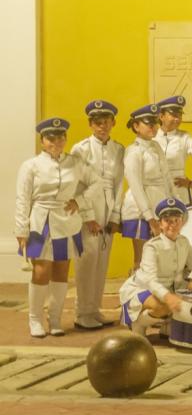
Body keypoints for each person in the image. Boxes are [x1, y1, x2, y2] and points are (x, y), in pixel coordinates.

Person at [15, 117, 102, 337]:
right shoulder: (31, 165)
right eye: (50, 138)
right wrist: (21, 229)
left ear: (65, 138)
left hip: (67, 222)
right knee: (41, 270)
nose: (56, 142)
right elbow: (22, 199)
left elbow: (97, 182)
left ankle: (54, 319)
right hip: (40, 221)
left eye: (60, 137)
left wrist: (80, 202)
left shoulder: (75, 162)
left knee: (62, 272)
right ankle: (35, 319)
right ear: (42, 140)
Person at [118, 198, 192, 337]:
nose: (172, 225)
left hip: (171, 287)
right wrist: (169, 297)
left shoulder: (183, 242)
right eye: (167, 221)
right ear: (160, 224)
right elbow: (151, 281)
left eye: (176, 220)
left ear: (182, 222)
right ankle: (138, 323)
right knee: (163, 306)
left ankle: (168, 325)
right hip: (142, 288)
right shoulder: (151, 247)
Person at [70, 100, 124, 329]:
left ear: (113, 122)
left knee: (101, 261)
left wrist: (115, 216)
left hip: (108, 204)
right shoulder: (80, 149)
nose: (102, 126)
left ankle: (94, 308)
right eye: (97, 123)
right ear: (90, 125)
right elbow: (76, 186)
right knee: (86, 261)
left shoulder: (118, 149)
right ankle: (82, 312)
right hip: (87, 205)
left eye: (106, 122)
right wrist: (87, 216)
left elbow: (119, 183)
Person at [120, 104, 171, 267]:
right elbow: (136, 186)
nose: (154, 127)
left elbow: (166, 179)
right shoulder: (133, 151)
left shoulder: (156, 147)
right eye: (148, 123)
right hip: (140, 212)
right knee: (142, 261)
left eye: (156, 123)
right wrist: (150, 219)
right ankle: (135, 291)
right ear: (136, 126)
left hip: (158, 206)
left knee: (157, 260)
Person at [155, 95, 192, 206]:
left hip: (180, 193)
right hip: (155, 192)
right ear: (161, 116)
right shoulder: (151, 137)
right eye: (173, 115)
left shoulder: (185, 138)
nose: (177, 119)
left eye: (179, 115)